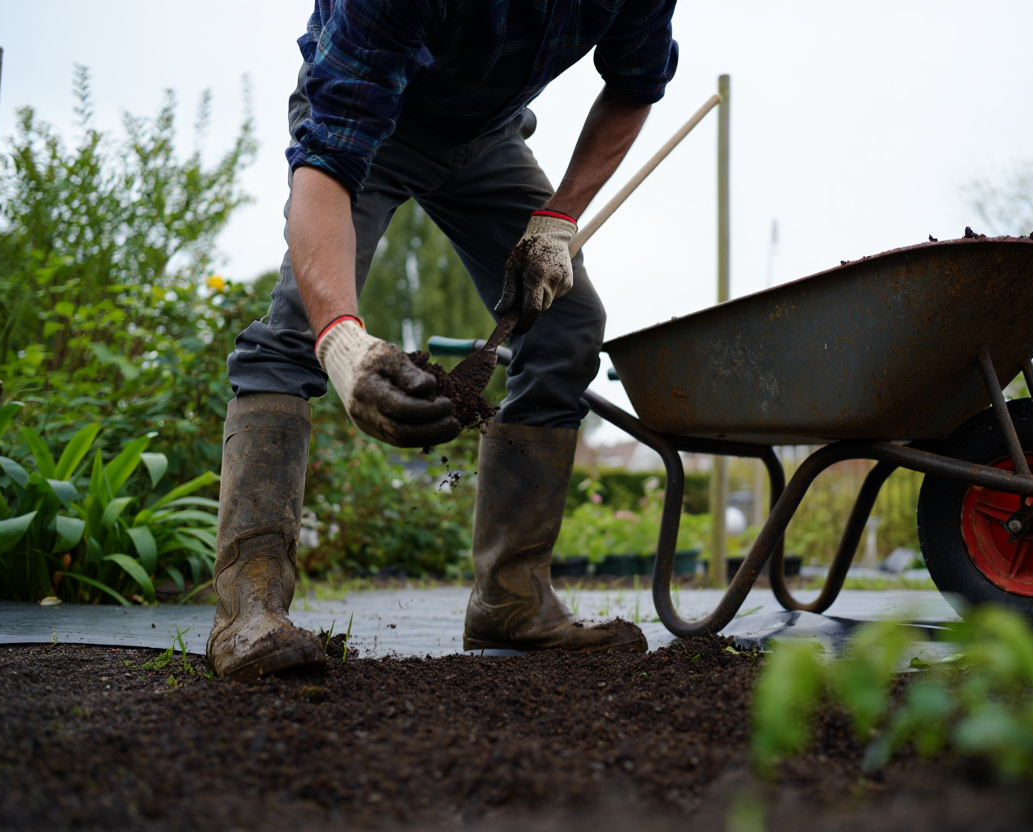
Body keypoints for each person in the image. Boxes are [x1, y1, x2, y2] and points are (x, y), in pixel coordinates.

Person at [206, 1, 679, 680]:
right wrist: (342, 341)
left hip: (487, 138)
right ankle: (249, 612)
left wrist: (557, 220)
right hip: (370, 124)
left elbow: (636, 84)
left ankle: (511, 599)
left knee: (569, 325)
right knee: (293, 333)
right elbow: (328, 162)